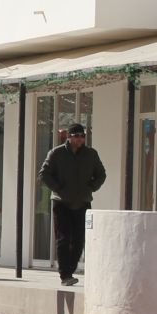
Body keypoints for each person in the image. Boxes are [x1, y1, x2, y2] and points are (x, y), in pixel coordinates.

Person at [39, 122, 106, 286]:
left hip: (82, 202)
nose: (80, 139)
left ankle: (70, 269)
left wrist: (91, 188)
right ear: (69, 137)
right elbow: (44, 174)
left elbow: (101, 174)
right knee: (63, 238)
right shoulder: (57, 153)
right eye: (76, 136)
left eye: (82, 136)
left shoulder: (91, 154)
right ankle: (65, 274)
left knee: (79, 239)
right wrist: (58, 188)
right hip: (61, 202)